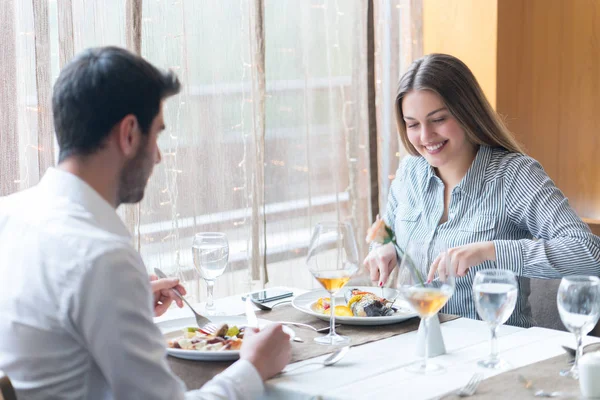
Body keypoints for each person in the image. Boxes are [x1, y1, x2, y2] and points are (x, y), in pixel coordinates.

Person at [0, 46, 291, 400]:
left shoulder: (10, 214)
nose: (158, 156)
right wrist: (254, 367)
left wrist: (123, 302)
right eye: (157, 135)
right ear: (129, 133)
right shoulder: (103, 258)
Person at [363, 53, 600, 328]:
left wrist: (491, 251)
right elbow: (384, 230)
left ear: (466, 113)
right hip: (417, 343)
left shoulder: (514, 176)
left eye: (438, 119)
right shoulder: (409, 172)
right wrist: (383, 247)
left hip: (494, 349)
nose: (425, 137)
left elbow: (590, 253)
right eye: (413, 124)